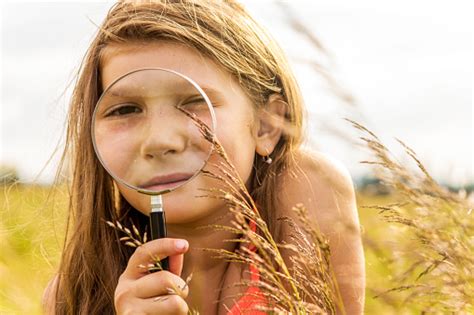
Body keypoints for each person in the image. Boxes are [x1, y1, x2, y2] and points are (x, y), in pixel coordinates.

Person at [43, 1, 365, 314]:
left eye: (193, 102)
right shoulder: (75, 295)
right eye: (125, 109)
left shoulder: (307, 190)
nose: (159, 141)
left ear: (266, 125)